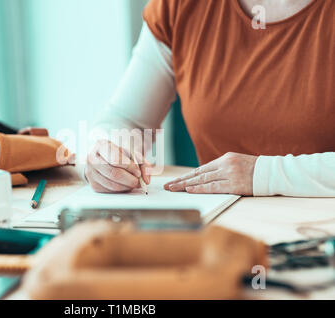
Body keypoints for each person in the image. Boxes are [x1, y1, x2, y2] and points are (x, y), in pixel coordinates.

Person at [85, 0, 335, 197]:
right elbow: (128, 120)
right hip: (221, 231)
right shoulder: (181, 6)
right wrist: (107, 155)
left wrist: (260, 175)